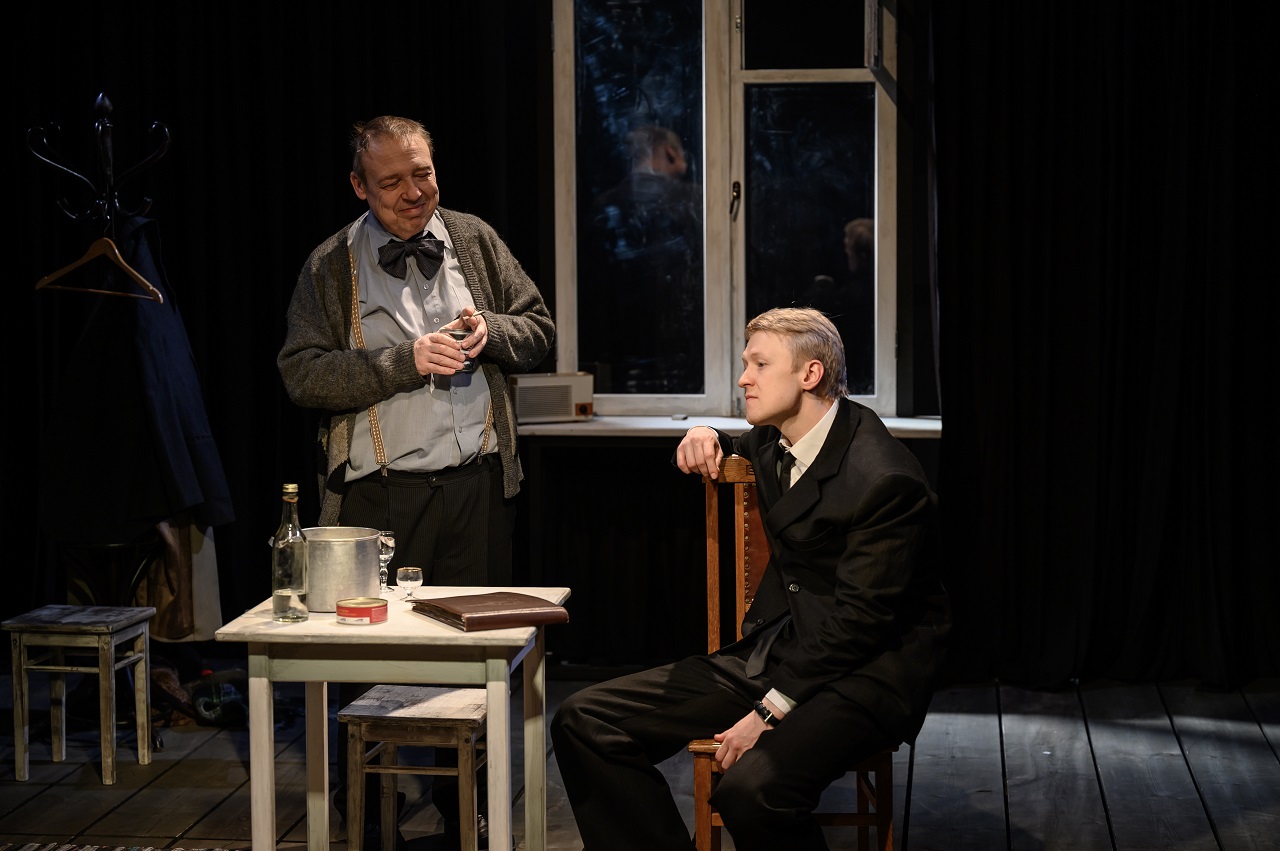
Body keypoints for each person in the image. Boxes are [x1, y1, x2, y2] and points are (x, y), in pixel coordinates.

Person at [550, 307, 951, 850]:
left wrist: (767, 712)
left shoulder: (885, 478)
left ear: (810, 374)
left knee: (751, 791)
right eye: (746, 364)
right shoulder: (774, 439)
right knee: (585, 720)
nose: (744, 378)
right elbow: (737, 444)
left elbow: (861, 624)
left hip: (866, 673)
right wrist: (705, 432)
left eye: (760, 365)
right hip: (784, 651)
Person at [278, 114, 554, 849]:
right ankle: (372, 816)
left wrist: (493, 331)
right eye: (392, 181)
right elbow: (301, 373)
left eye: (422, 173)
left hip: (475, 490)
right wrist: (403, 362)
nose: (412, 192)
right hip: (378, 500)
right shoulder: (330, 264)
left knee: (477, 664)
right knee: (369, 670)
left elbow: (539, 328)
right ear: (359, 186)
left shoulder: (475, 239)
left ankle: (473, 813)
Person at [581, 124, 704, 393]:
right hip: (686, 349)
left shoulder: (605, 205)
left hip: (619, 347)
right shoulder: (695, 201)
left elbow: (593, 286)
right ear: (671, 153)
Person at [803, 217, 875, 395]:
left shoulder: (861, 292)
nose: (847, 254)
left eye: (849, 250)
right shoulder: (858, 287)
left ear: (861, 254)